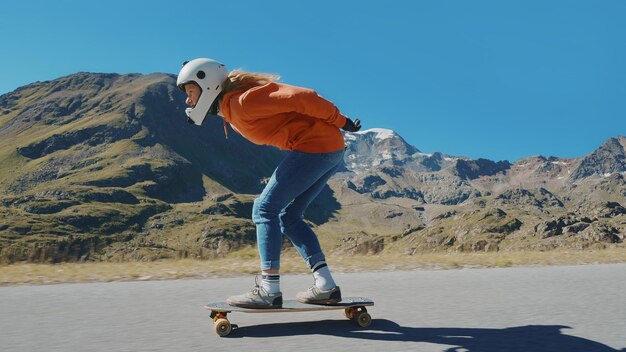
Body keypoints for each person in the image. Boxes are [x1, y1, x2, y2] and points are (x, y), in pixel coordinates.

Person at [177, 58, 361, 308]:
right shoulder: (232, 111)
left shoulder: (244, 102)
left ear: (207, 85)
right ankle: (326, 286)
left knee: (264, 209)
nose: (188, 100)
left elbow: (303, 97)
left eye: (190, 92)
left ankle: (269, 290)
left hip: (316, 147)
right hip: (327, 148)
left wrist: (340, 120)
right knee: (289, 216)